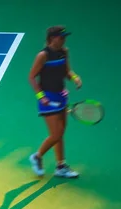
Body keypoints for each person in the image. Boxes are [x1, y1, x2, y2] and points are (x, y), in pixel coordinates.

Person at [28, 26, 82, 178]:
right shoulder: (43, 55)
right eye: (61, 36)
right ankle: (37, 157)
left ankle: (60, 166)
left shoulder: (64, 52)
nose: (63, 39)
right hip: (48, 98)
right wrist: (41, 96)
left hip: (61, 96)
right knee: (56, 134)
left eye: (64, 36)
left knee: (60, 133)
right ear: (52, 38)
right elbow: (31, 77)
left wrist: (75, 77)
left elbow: (67, 71)